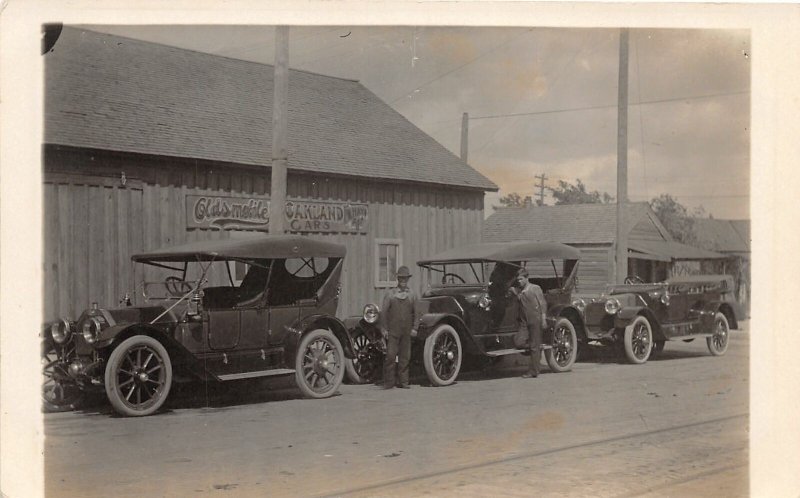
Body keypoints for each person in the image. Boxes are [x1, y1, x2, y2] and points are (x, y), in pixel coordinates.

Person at [380, 266, 419, 389]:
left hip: (407, 331)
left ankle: (404, 382)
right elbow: (384, 313)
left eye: (405, 278)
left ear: (408, 279)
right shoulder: (390, 294)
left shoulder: (412, 294)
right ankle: (389, 382)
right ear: (397, 278)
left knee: (405, 357)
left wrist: (415, 328)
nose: (403, 280)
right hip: (393, 331)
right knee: (390, 356)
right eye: (401, 278)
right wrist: (384, 329)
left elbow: (417, 313)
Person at [512, 267, 547, 378]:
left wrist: (544, 319)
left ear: (527, 278)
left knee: (534, 346)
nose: (519, 281)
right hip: (524, 322)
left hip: (535, 320)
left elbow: (542, 303)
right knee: (518, 342)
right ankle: (536, 347)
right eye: (518, 280)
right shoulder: (519, 290)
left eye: (521, 279)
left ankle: (534, 371)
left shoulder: (535, 288)